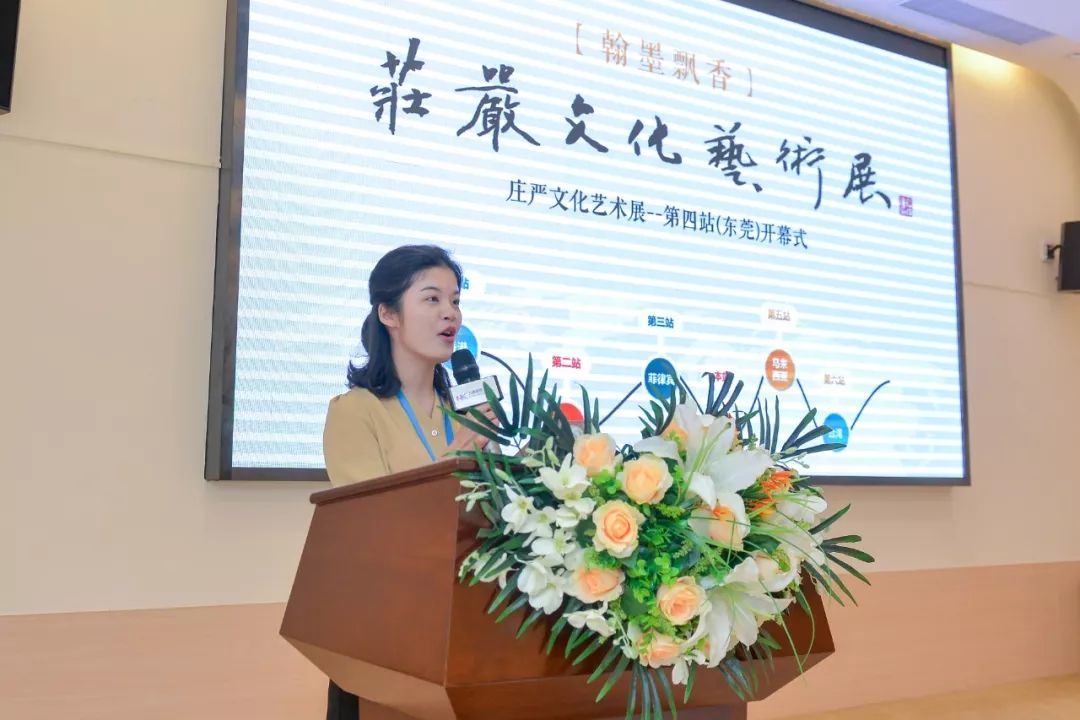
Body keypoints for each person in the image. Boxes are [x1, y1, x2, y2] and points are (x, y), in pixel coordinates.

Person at [320, 244, 494, 719]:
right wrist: (458, 456)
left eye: (455, 300)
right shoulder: (355, 412)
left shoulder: (465, 415)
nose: (450, 313)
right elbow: (374, 532)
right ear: (388, 313)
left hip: (470, 632)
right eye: (432, 299)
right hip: (387, 634)